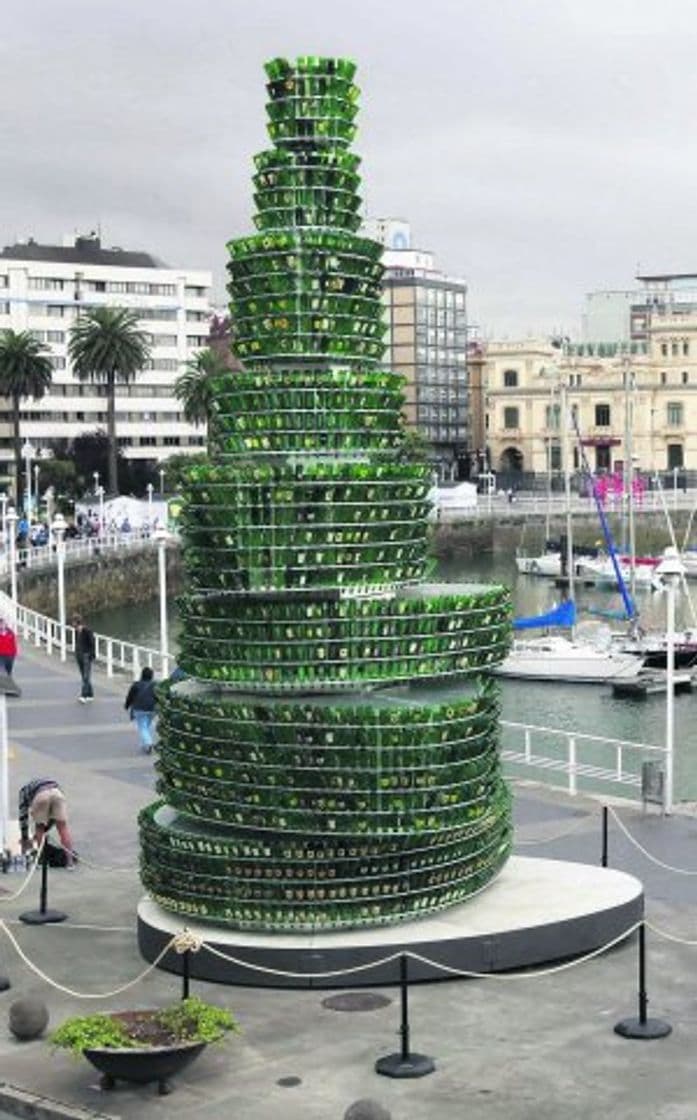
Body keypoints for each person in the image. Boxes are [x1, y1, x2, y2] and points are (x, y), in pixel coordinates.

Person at [18, 778, 74, 869]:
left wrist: (25, 838)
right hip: (57, 793)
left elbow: (23, 816)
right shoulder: (44, 782)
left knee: (39, 827)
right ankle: (70, 862)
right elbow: (52, 819)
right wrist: (46, 828)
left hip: (41, 795)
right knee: (63, 828)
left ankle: (42, 861)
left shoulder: (23, 792)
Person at [124, 666, 157, 753]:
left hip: (139, 709)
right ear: (151, 676)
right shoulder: (155, 685)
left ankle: (148, 743)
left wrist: (127, 706)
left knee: (142, 727)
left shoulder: (136, 685)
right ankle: (144, 745)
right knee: (146, 726)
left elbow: (130, 697)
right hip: (152, 709)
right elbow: (158, 697)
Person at [73, 614, 95, 702]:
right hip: (79, 655)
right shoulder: (76, 631)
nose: (73, 624)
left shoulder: (87, 631)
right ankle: (90, 694)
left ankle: (84, 695)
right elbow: (77, 643)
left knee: (86, 676)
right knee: (84, 676)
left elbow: (92, 643)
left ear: (77, 622)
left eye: (74, 622)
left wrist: (91, 654)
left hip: (86, 655)